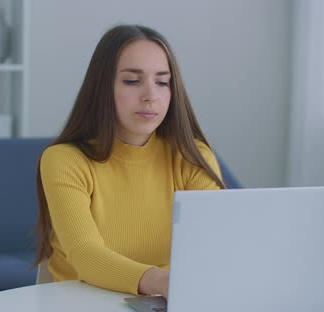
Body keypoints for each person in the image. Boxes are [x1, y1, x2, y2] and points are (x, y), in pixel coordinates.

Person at [34, 24, 226, 298]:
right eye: (132, 81)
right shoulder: (64, 160)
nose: (150, 96)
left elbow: (216, 242)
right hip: (79, 302)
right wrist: (163, 282)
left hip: (164, 301)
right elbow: (85, 253)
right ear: (103, 87)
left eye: (162, 82)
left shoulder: (191, 156)